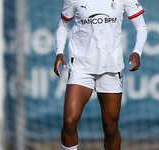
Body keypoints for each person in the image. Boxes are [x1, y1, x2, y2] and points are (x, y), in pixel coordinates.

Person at [54, 0, 147, 149]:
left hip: (111, 66)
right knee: (69, 121)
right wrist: (59, 51)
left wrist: (137, 51)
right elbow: (63, 25)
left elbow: (141, 27)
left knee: (110, 128)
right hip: (81, 65)